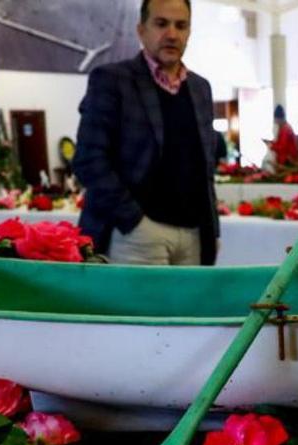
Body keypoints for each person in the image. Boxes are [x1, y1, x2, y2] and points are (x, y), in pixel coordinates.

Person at [72, 0, 220, 266]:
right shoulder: (111, 80)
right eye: (161, 24)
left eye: (181, 25)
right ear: (142, 30)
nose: (172, 34)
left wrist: (212, 230)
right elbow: (89, 160)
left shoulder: (201, 88)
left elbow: (204, 168)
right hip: (137, 234)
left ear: (189, 32)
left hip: (193, 234)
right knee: (142, 310)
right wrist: (134, 221)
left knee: (190, 309)